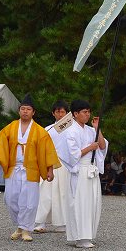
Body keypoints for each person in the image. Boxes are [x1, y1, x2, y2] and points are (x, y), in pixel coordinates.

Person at [0, 94, 60, 243]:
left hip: (31, 169)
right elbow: (0, 146)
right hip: (14, 168)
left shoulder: (40, 131)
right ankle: (20, 226)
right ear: (19, 111)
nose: (25, 112)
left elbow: (48, 151)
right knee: (10, 199)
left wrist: (50, 170)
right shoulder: (10, 128)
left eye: (28, 109)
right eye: (23, 109)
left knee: (29, 201)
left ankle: (26, 229)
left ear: (33, 112)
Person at [59, 99, 108, 249]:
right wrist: (89, 147)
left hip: (91, 170)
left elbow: (102, 146)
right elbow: (72, 156)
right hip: (79, 171)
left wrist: (97, 128)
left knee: (92, 203)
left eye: (88, 112)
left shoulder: (90, 130)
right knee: (79, 203)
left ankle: (88, 234)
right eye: (84, 112)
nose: (87, 115)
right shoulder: (70, 131)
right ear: (75, 114)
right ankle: (80, 237)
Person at [34, 100, 71, 234]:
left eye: (63, 112)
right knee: (45, 193)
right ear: (53, 113)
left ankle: (61, 223)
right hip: (50, 164)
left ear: (67, 113)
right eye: (58, 112)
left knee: (63, 194)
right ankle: (40, 222)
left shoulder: (73, 129)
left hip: (66, 165)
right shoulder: (47, 130)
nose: (60, 115)